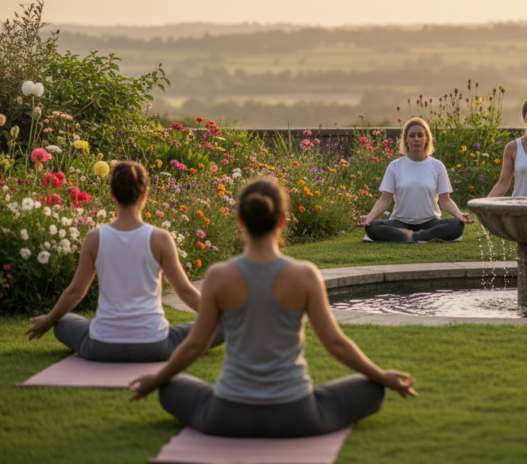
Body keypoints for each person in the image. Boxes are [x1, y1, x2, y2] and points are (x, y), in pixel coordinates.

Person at [128, 178, 416, 437]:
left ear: (240, 221)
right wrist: (381, 376)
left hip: (227, 415)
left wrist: (156, 381)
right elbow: (335, 343)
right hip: (296, 415)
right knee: (371, 390)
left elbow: (193, 346)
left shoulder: (218, 276)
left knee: (169, 389)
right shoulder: (305, 275)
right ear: (282, 220)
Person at [26, 161, 222, 362]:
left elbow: (76, 292)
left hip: (101, 346)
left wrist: (49, 320)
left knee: (61, 321)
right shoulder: (160, 239)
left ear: (112, 194)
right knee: (222, 325)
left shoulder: (95, 238)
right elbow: (186, 292)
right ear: (145, 194)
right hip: (155, 346)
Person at [358, 117, 473, 243]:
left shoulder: (437, 166)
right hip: (400, 222)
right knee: (372, 227)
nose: (416, 139)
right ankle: (411, 234)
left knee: (456, 225)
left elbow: (445, 199)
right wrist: (369, 218)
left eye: (420, 135)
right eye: (412, 136)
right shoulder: (394, 166)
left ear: (426, 138)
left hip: (430, 222)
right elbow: (385, 199)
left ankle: (413, 237)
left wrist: (459, 215)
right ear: (406, 140)